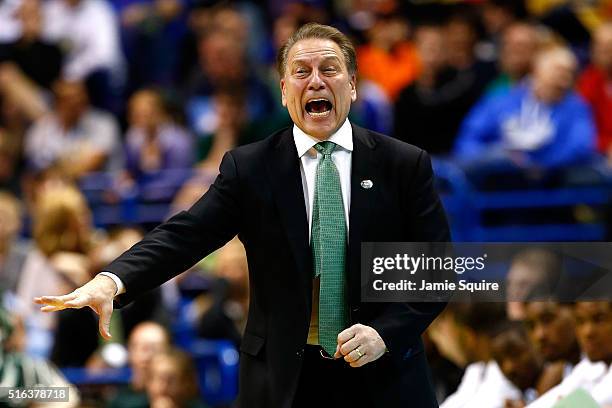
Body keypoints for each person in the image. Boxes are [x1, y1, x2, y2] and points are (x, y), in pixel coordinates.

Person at [35, 23, 450, 408]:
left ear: (353, 85)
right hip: (284, 376)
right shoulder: (251, 167)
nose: (316, 80)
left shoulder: (402, 164)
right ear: (285, 89)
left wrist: (386, 332)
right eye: (301, 71)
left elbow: (436, 270)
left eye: (330, 68)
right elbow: (187, 234)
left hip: (384, 371)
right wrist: (114, 279)